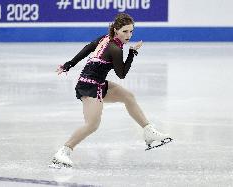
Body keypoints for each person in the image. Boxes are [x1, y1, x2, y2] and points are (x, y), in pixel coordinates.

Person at [51, 13, 171, 168]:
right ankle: (63, 151)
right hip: (89, 85)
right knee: (92, 125)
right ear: (116, 30)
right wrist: (133, 53)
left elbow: (88, 48)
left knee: (128, 96)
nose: (129, 35)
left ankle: (149, 131)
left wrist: (69, 64)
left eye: (131, 31)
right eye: (125, 31)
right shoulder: (115, 48)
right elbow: (121, 74)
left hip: (98, 82)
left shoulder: (105, 38)